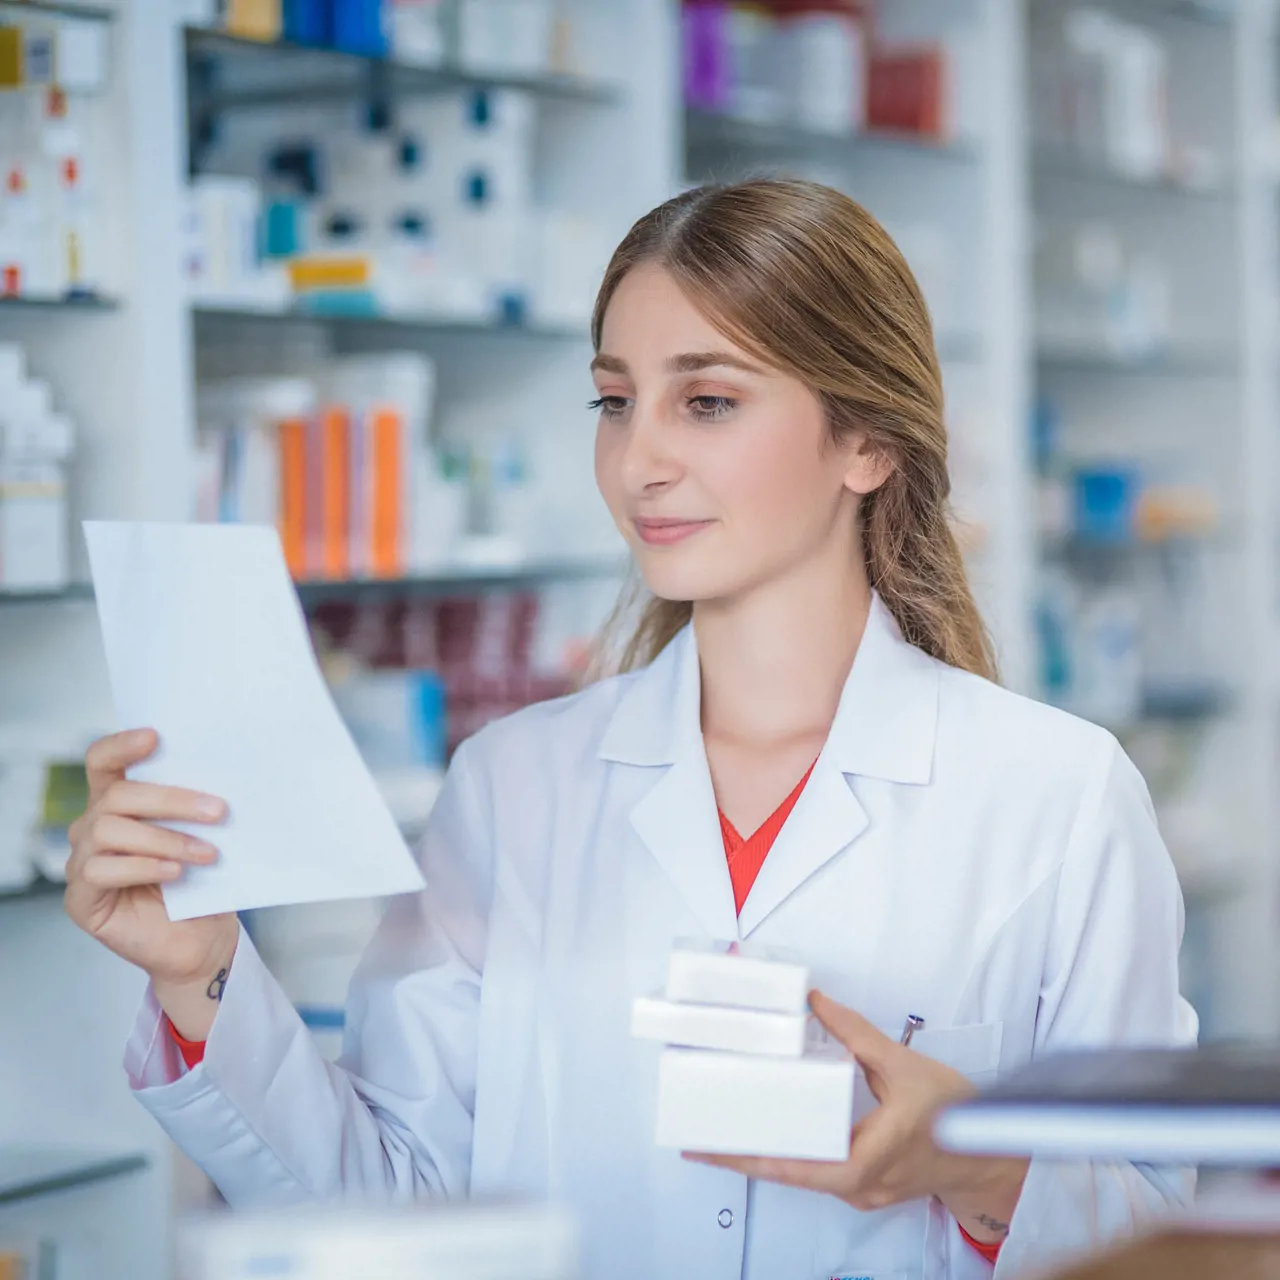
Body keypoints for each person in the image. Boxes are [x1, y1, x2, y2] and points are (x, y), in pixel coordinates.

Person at [65, 179, 1195, 1279]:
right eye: (615, 399)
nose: (638, 460)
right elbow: (399, 1211)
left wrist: (978, 1165)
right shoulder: (513, 784)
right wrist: (204, 974)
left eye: (705, 400)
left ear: (865, 443)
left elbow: (1160, 1234)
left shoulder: (1053, 794)